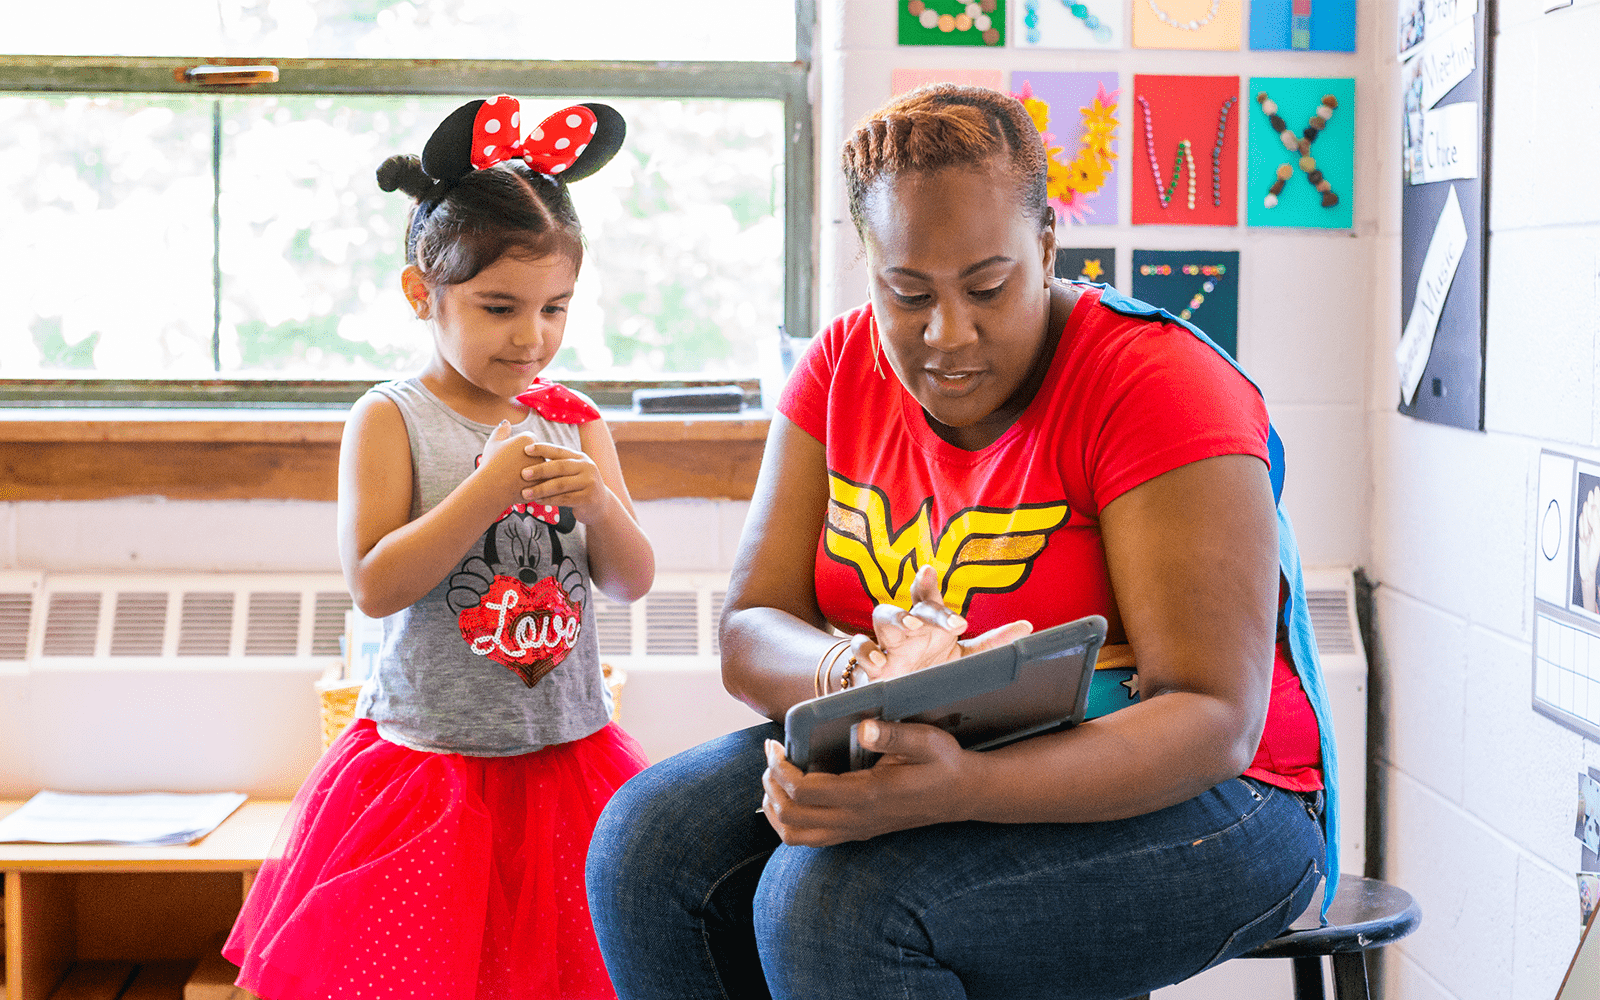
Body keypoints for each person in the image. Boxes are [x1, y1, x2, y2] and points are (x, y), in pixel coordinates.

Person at [586, 83, 1340, 1000]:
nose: (949, 334)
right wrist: (859, 679)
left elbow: (1212, 718)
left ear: (1050, 246)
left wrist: (958, 791)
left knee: (831, 908)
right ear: (867, 269)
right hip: (940, 747)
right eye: (908, 294)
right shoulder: (838, 367)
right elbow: (750, 627)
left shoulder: (1158, 384)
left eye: (989, 286)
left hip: (1226, 798)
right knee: (647, 846)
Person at [224, 95, 654, 1000]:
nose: (530, 338)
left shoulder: (572, 418)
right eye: (500, 307)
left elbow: (631, 580)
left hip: (565, 758)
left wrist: (602, 506)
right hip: (432, 772)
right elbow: (375, 584)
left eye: (555, 309)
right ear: (423, 292)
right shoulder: (390, 417)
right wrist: (485, 489)